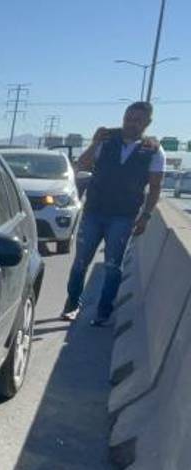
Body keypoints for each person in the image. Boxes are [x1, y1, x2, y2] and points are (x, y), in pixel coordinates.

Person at [62, 102, 165, 327]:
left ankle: (103, 312)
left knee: (112, 266)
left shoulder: (153, 150)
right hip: (94, 212)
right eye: (128, 118)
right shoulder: (106, 141)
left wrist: (146, 216)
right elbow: (82, 164)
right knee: (80, 262)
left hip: (124, 216)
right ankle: (72, 304)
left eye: (137, 120)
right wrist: (95, 142)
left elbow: (155, 187)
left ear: (147, 123)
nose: (131, 123)